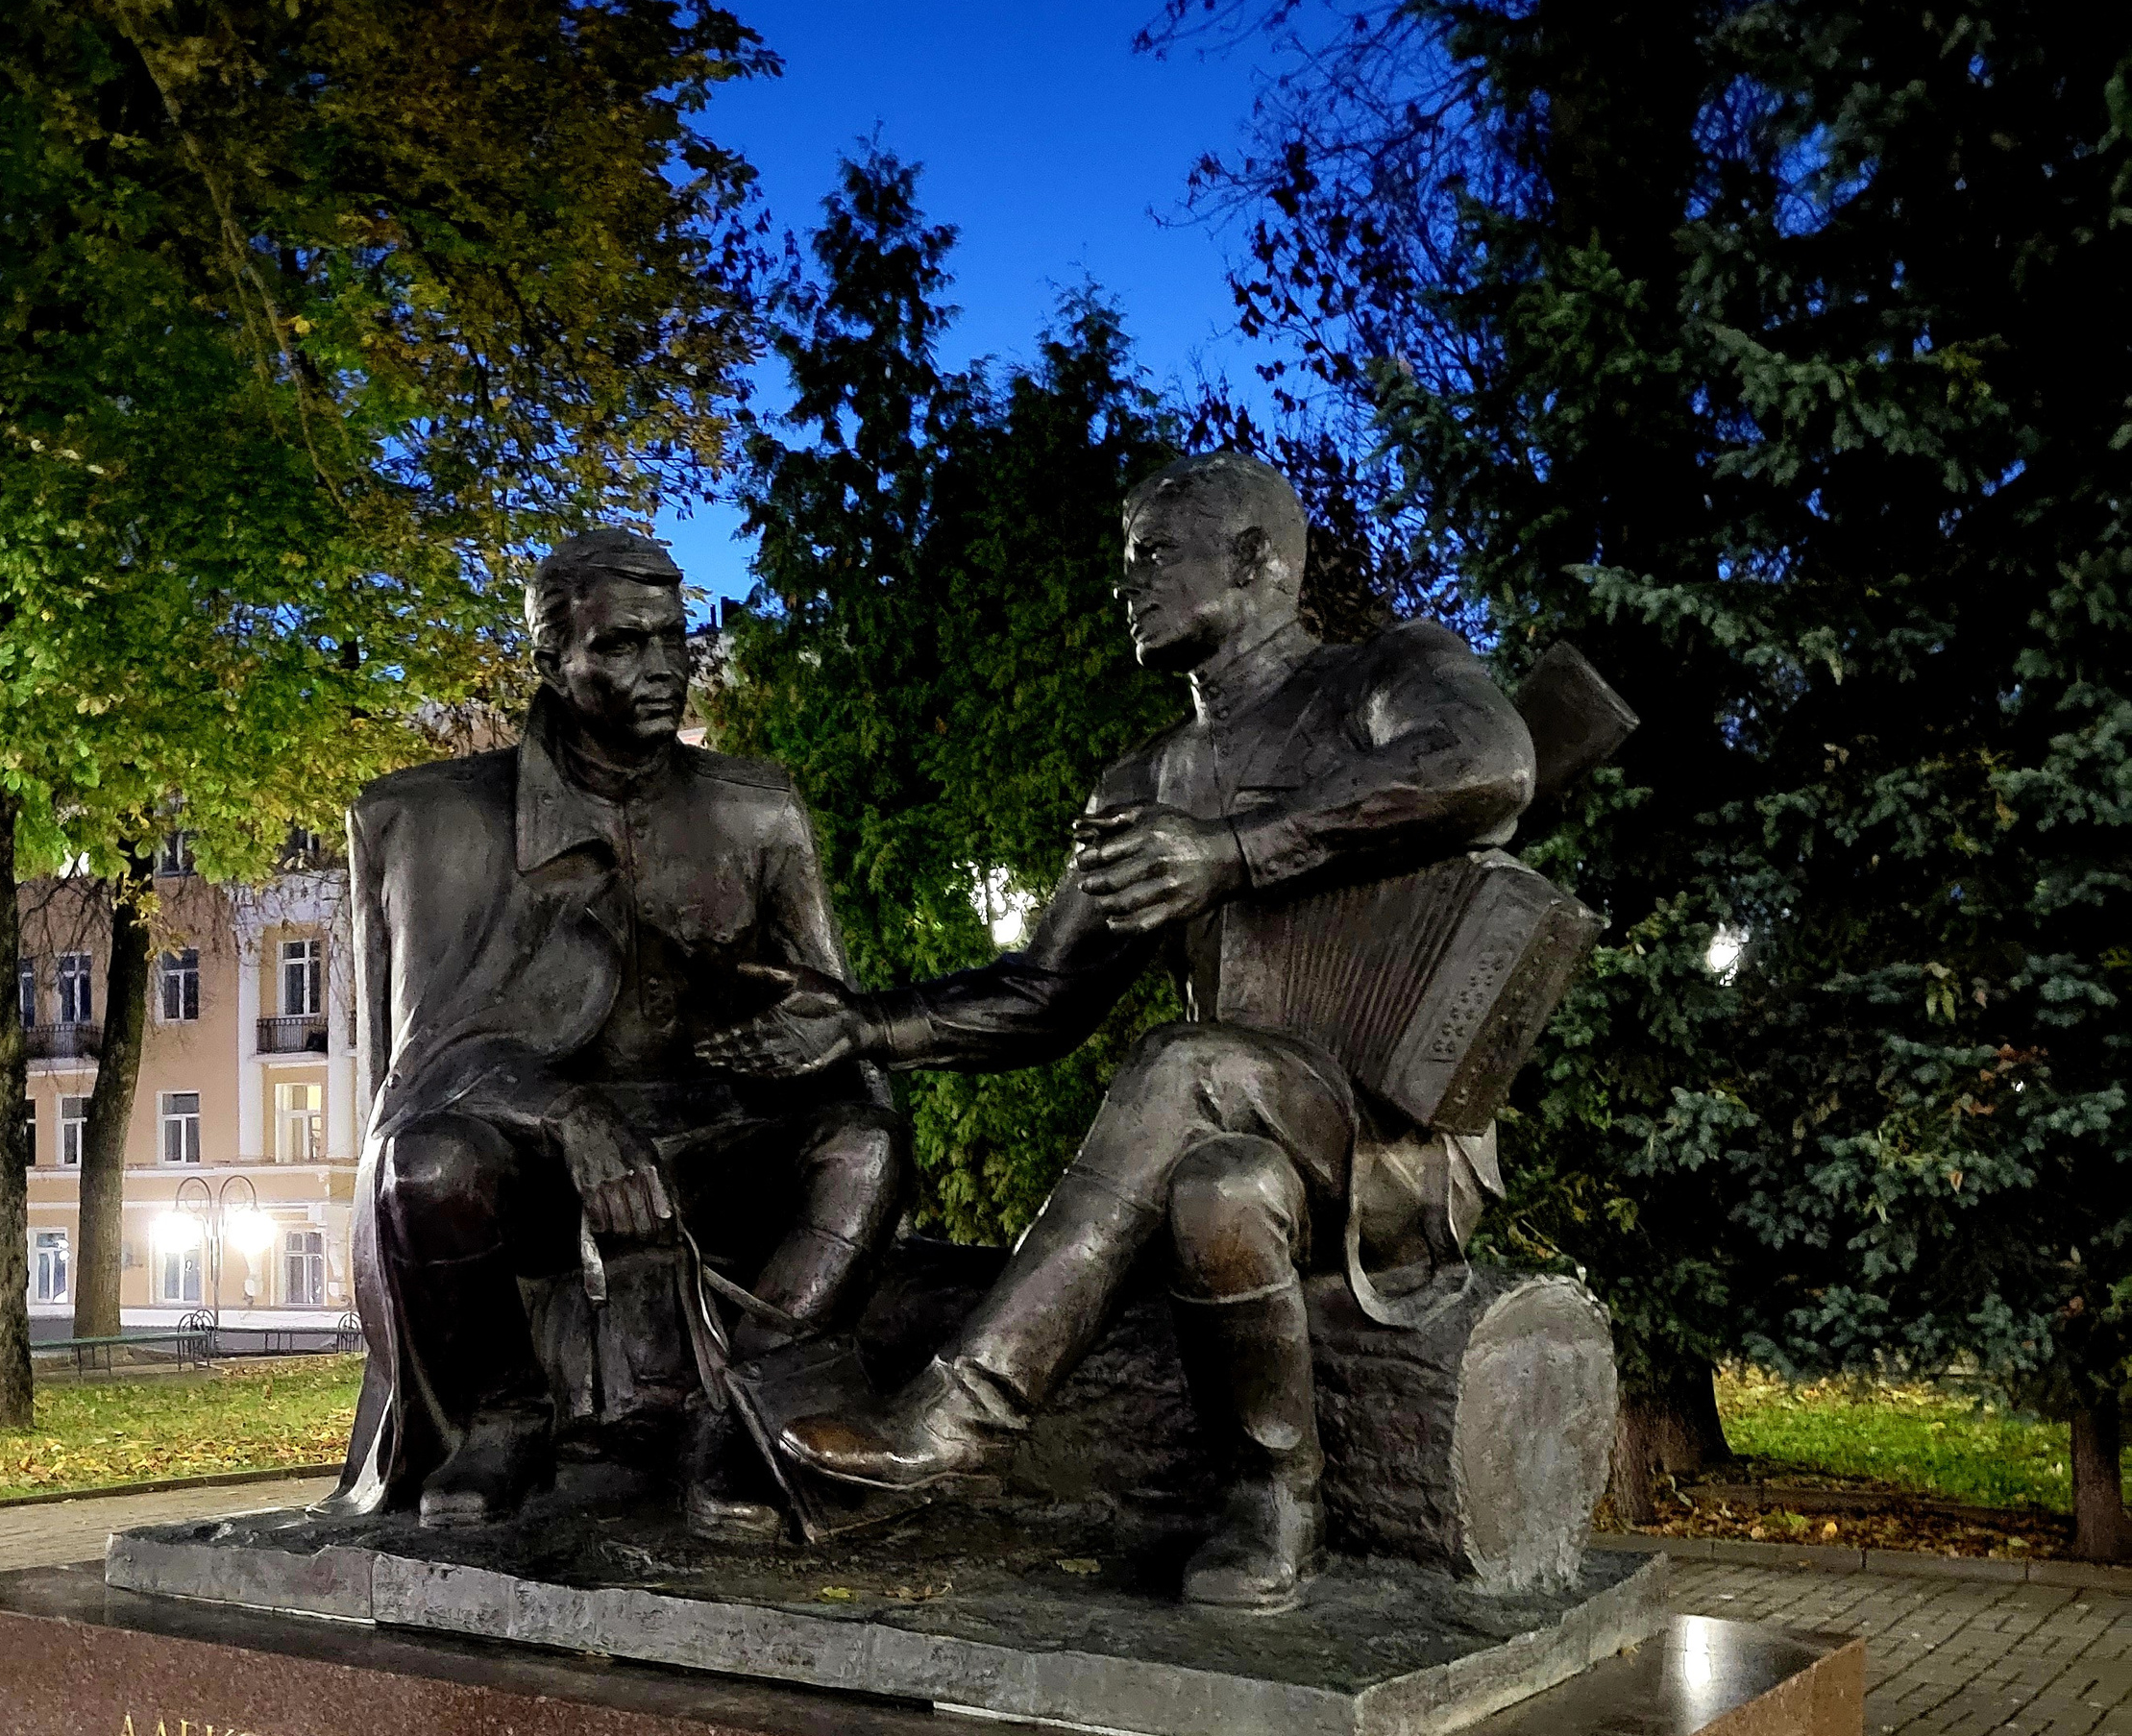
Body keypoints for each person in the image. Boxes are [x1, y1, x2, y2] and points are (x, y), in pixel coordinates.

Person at [697, 451, 1535, 1607]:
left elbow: (1491, 763)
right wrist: (861, 1028)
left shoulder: (1384, 679)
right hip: (1250, 1149)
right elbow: (1045, 995)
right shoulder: (1146, 780)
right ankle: (1276, 1495)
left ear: (1254, 562)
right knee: (1219, 1192)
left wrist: (1234, 851)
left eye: (1151, 554)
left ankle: (955, 1419)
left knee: (1189, 1063)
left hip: (1395, 1157)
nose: (1124, 583)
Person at [334, 527, 905, 1537]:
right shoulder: (434, 818)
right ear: (553, 662)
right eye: (623, 645)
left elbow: (832, 1021)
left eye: (675, 641)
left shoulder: (755, 808)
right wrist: (568, 1112)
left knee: (864, 1136)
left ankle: (740, 1411)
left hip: (715, 1130)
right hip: (530, 1145)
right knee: (422, 1168)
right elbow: (423, 1069)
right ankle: (500, 1415)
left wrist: (804, 1033)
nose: (663, 670)